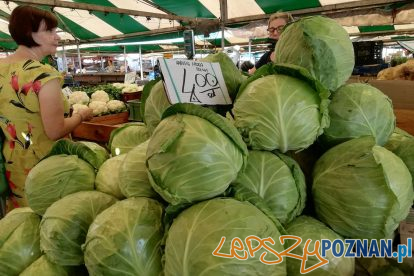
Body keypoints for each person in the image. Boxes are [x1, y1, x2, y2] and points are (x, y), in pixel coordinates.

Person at [0, 5, 93, 212]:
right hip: (47, 168)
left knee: (24, 223)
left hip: (13, 163)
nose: (57, 36)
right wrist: (81, 115)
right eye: (49, 31)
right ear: (29, 33)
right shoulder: (43, 75)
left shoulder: (1, 68)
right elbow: (55, 131)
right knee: (50, 221)